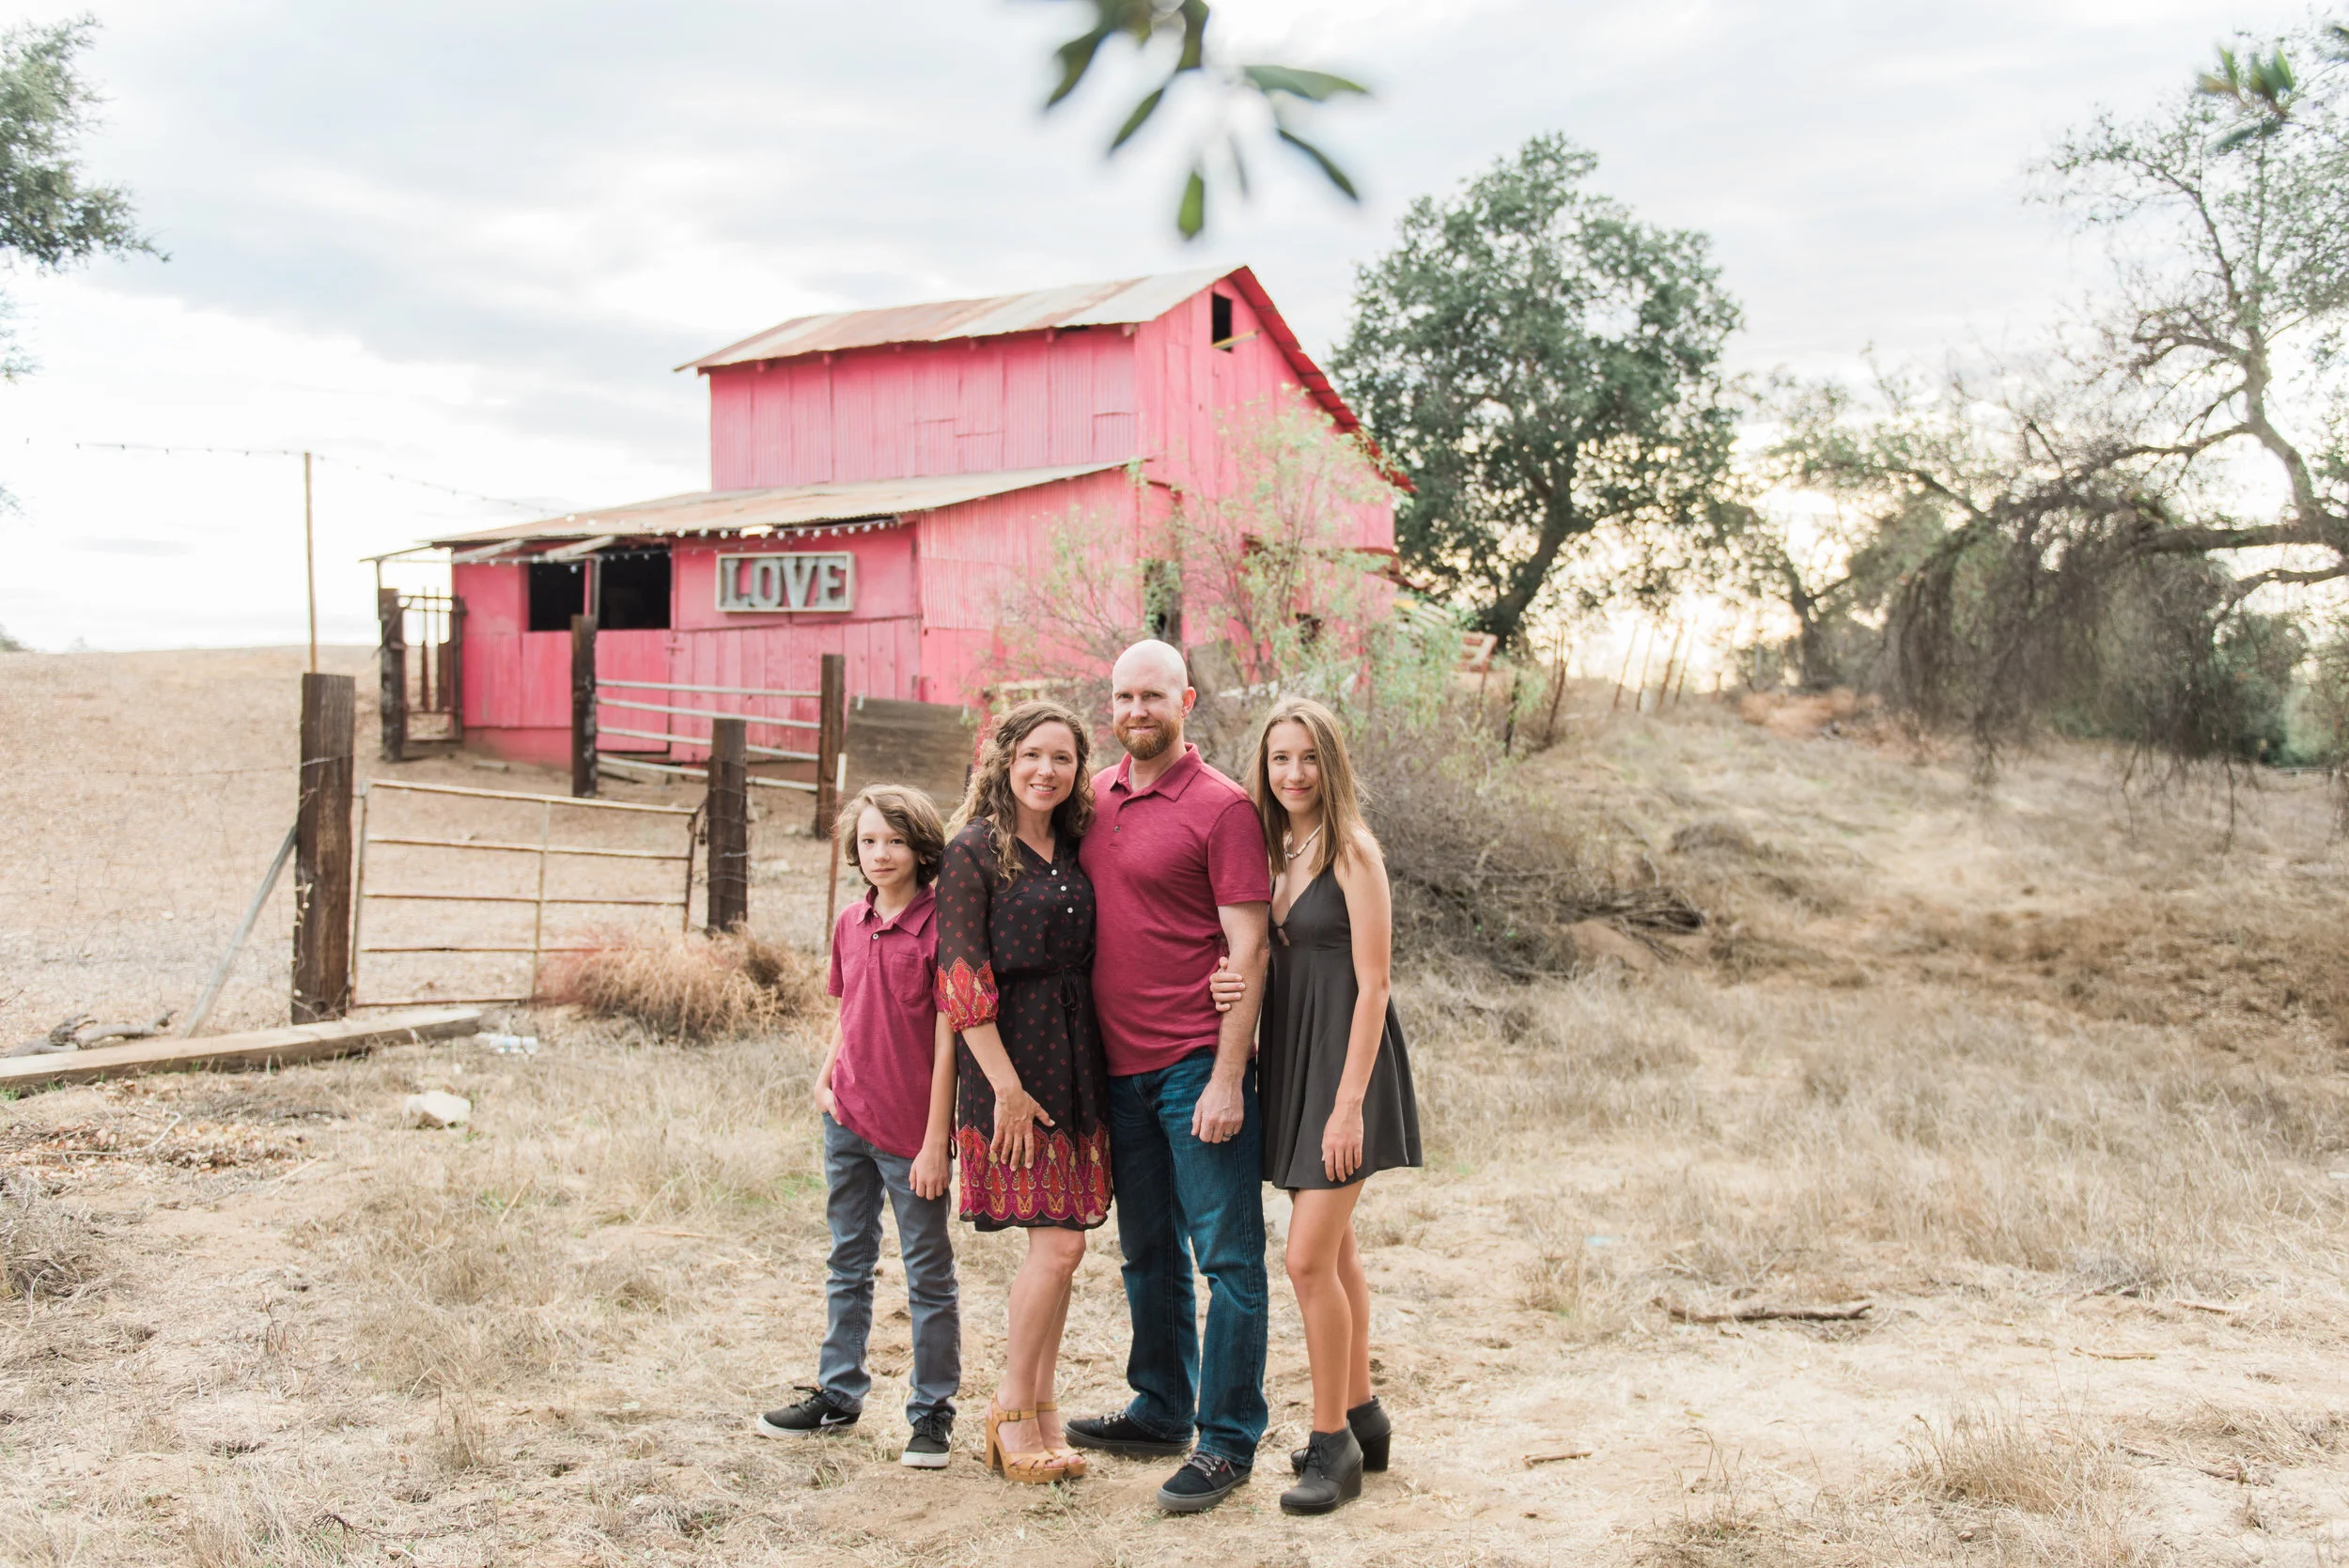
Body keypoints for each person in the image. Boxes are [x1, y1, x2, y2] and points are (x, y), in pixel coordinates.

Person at [1064, 641, 1274, 1515]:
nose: (1137, 708)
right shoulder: (1092, 798)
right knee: (1146, 1251)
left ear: (1186, 699)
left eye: (1153, 693)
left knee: (1226, 1258)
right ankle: (1160, 1407)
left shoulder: (1223, 808)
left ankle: (1227, 1440)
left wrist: (1229, 1073)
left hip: (1195, 1063)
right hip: (1118, 1069)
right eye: (1122, 695)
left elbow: (1250, 945)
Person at [1247, 697, 1422, 1514]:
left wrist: (1347, 1105)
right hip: (1292, 1060)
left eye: (1308, 757)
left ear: (1331, 762)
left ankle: (1331, 1447)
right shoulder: (1273, 848)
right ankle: (1363, 1413)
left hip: (1346, 1069)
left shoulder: (1354, 852)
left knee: (1307, 1259)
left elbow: (1375, 983)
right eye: (1280, 757)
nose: (1293, 773)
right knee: (1339, 1247)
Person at [933, 699, 1112, 1484]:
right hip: (1012, 1064)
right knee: (1060, 1244)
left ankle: (1042, 1411)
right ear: (1006, 758)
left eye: (1064, 758)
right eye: (1033, 754)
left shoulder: (1074, 845)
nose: (1047, 769)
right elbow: (961, 979)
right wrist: (1004, 1088)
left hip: (1078, 1061)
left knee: (1065, 1248)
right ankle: (1008, 1411)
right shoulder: (973, 851)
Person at [757, 784, 961, 1471]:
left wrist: (937, 1141)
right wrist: (825, 1076)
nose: (881, 853)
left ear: (922, 847)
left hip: (911, 1135)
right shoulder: (852, 920)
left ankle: (932, 1411)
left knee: (928, 1273)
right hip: (847, 1119)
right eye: (870, 840)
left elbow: (949, 1044)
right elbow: (849, 1011)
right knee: (848, 1259)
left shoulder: (941, 927)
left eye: (896, 841)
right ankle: (838, 1393)